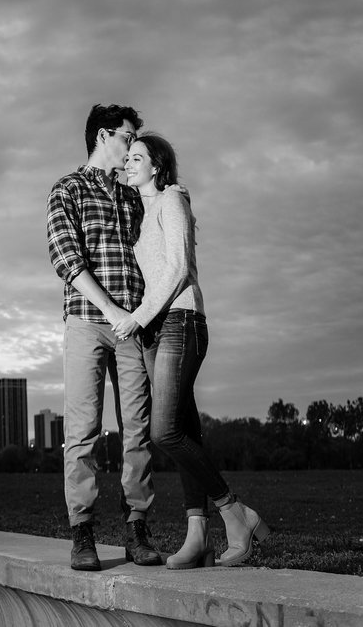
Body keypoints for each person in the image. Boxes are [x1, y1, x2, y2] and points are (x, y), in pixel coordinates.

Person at [113, 133, 270, 569]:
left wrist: (137, 317)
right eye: (126, 158)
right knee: (186, 431)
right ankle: (198, 535)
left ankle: (236, 513)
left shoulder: (171, 201)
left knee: (165, 431)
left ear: (158, 166)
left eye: (136, 158)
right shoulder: (143, 214)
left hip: (180, 323)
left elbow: (179, 268)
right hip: (155, 331)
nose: (128, 163)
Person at [46, 104, 161, 571]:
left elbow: (157, 242)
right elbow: (66, 258)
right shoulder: (66, 190)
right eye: (128, 137)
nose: (134, 146)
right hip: (87, 322)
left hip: (133, 325)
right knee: (82, 431)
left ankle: (137, 526)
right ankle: (82, 532)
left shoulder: (133, 193)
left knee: (139, 430)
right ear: (102, 136)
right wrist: (110, 308)